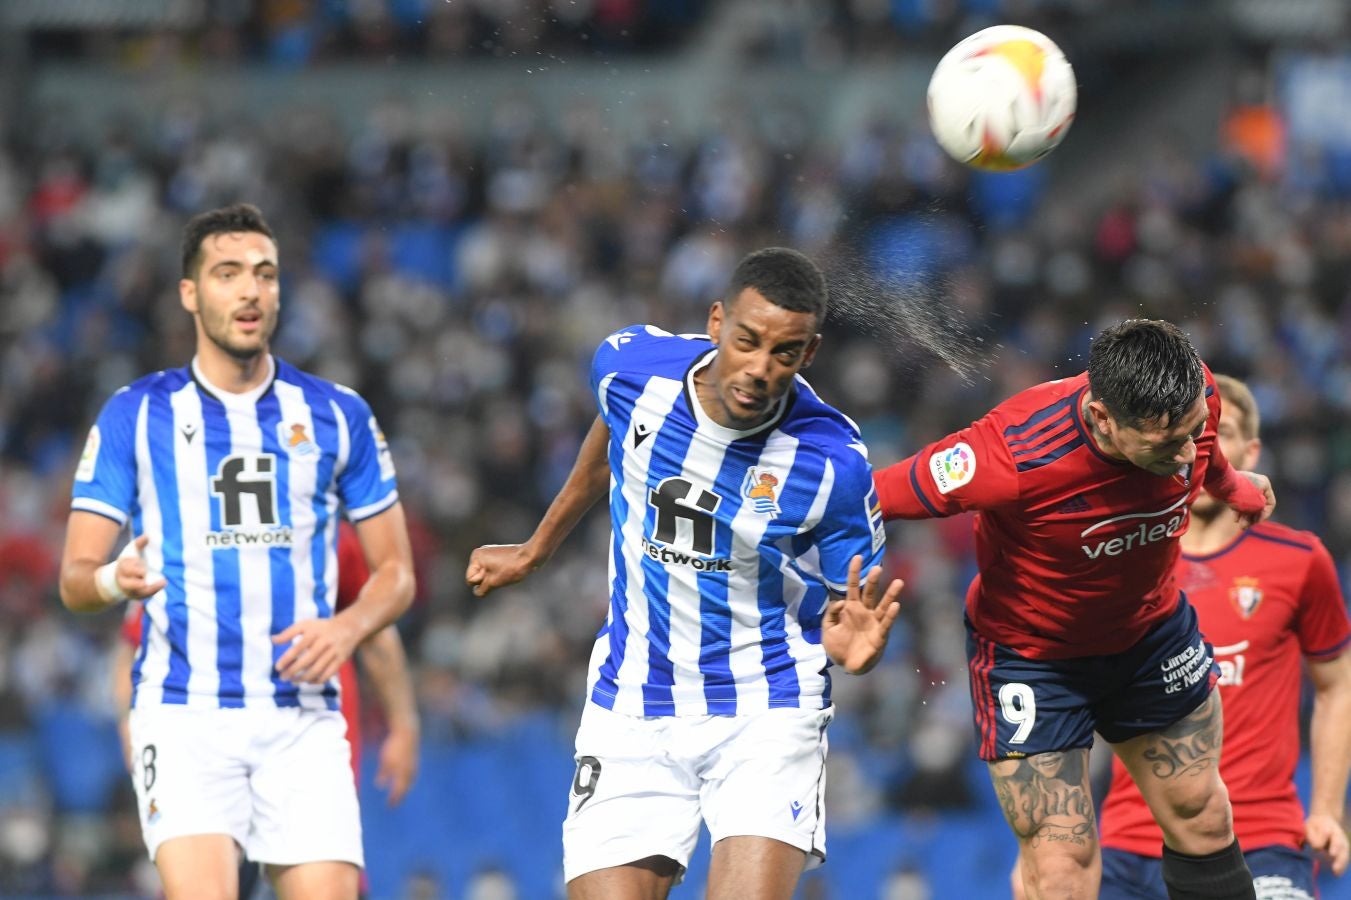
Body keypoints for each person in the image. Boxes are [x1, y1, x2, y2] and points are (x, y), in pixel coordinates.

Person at [465, 247, 904, 899]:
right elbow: (612, 432)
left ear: (807, 354)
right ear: (715, 322)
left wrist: (855, 653)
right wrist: (539, 546)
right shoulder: (629, 368)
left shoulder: (830, 463)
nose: (759, 368)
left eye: (783, 353)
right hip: (633, 699)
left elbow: (851, 607)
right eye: (746, 341)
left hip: (765, 703)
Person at [59, 203, 416, 900]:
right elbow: (73, 579)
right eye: (227, 274)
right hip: (185, 716)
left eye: (264, 275)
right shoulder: (135, 414)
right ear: (190, 293)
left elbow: (396, 574)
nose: (250, 291)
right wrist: (111, 579)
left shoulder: (339, 414)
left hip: (304, 719)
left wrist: (345, 630)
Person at [873, 319, 1275, 900]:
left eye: (1193, 431)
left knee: (1203, 814)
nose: (1187, 451)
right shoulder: (1008, 453)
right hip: (1034, 661)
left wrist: (1232, 486)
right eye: (1167, 443)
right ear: (1102, 417)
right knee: (1062, 866)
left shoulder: (1194, 394)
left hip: (1150, 636)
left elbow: (1205, 454)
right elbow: (870, 494)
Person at [1090, 374, 1351, 899]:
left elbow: (1337, 685)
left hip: (1263, 840)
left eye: (1221, 432)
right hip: (1129, 842)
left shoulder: (1299, 562)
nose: (1202, 450)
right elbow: (1075, 693)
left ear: (1251, 451)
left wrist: (1326, 809)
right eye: (1190, 433)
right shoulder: (1124, 560)